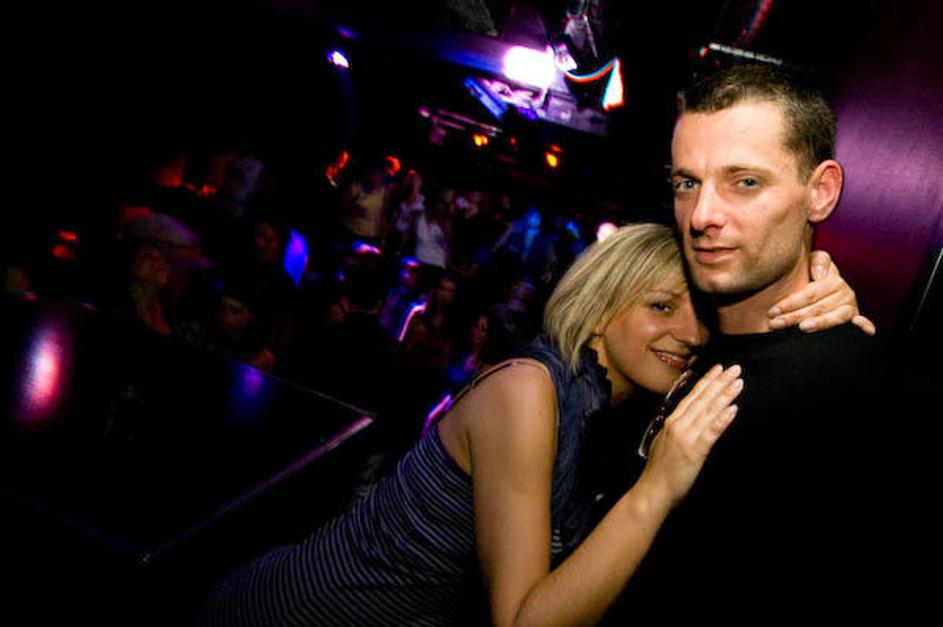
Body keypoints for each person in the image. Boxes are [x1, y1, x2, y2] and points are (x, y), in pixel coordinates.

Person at [199, 221, 865, 626]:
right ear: (599, 308)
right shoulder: (528, 391)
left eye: (700, 314)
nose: (689, 333)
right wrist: (657, 486)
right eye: (661, 306)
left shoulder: (603, 403)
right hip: (299, 610)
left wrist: (822, 291)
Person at [615, 64, 892, 620]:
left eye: (745, 183)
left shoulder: (851, 394)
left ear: (820, 193)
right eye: (687, 183)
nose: (702, 216)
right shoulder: (681, 344)